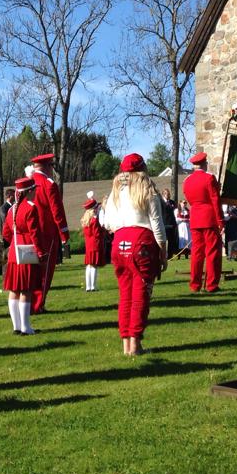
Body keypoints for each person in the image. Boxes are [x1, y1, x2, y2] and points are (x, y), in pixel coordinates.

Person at [102, 153, 167, 356]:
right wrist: (163, 251)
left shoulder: (116, 192)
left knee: (125, 295)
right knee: (140, 295)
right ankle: (135, 343)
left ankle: (125, 344)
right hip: (142, 243)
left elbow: (106, 222)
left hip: (119, 242)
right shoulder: (147, 190)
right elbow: (157, 225)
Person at [1, 177, 45, 335]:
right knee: (26, 289)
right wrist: (40, 252)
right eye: (35, 190)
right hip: (27, 251)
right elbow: (35, 234)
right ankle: (26, 327)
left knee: (14, 289)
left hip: (14, 251)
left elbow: (5, 233)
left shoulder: (12, 208)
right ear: (30, 191)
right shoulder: (31, 207)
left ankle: (16, 327)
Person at [29, 153, 69, 314]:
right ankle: (38, 304)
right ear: (47, 167)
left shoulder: (28, 182)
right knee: (45, 270)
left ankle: (29, 302)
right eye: (51, 166)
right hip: (46, 231)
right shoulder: (48, 183)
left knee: (32, 269)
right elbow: (57, 211)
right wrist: (64, 233)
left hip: (29, 231)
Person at [182, 152, 223, 293]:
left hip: (195, 218)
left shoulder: (187, 180)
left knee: (197, 253)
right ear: (205, 164)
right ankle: (211, 285)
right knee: (212, 253)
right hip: (209, 217)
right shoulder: (209, 178)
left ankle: (195, 285)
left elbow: (188, 197)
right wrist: (220, 220)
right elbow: (215, 201)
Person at [81, 193, 106, 292]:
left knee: (89, 266)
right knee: (94, 265)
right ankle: (93, 286)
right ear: (93, 209)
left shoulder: (85, 220)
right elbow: (97, 234)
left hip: (88, 244)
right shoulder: (94, 220)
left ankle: (88, 286)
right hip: (95, 244)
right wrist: (103, 230)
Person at [160, 188, 178, 258]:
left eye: (168, 194)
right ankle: (163, 255)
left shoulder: (172, 202)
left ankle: (170, 256)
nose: (168, 195)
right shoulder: (161, 202)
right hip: (164, 223)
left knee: (171, 240)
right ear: (163, 194)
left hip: (172, 224)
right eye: (166, 194)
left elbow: (176, 212)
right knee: (164, 241)